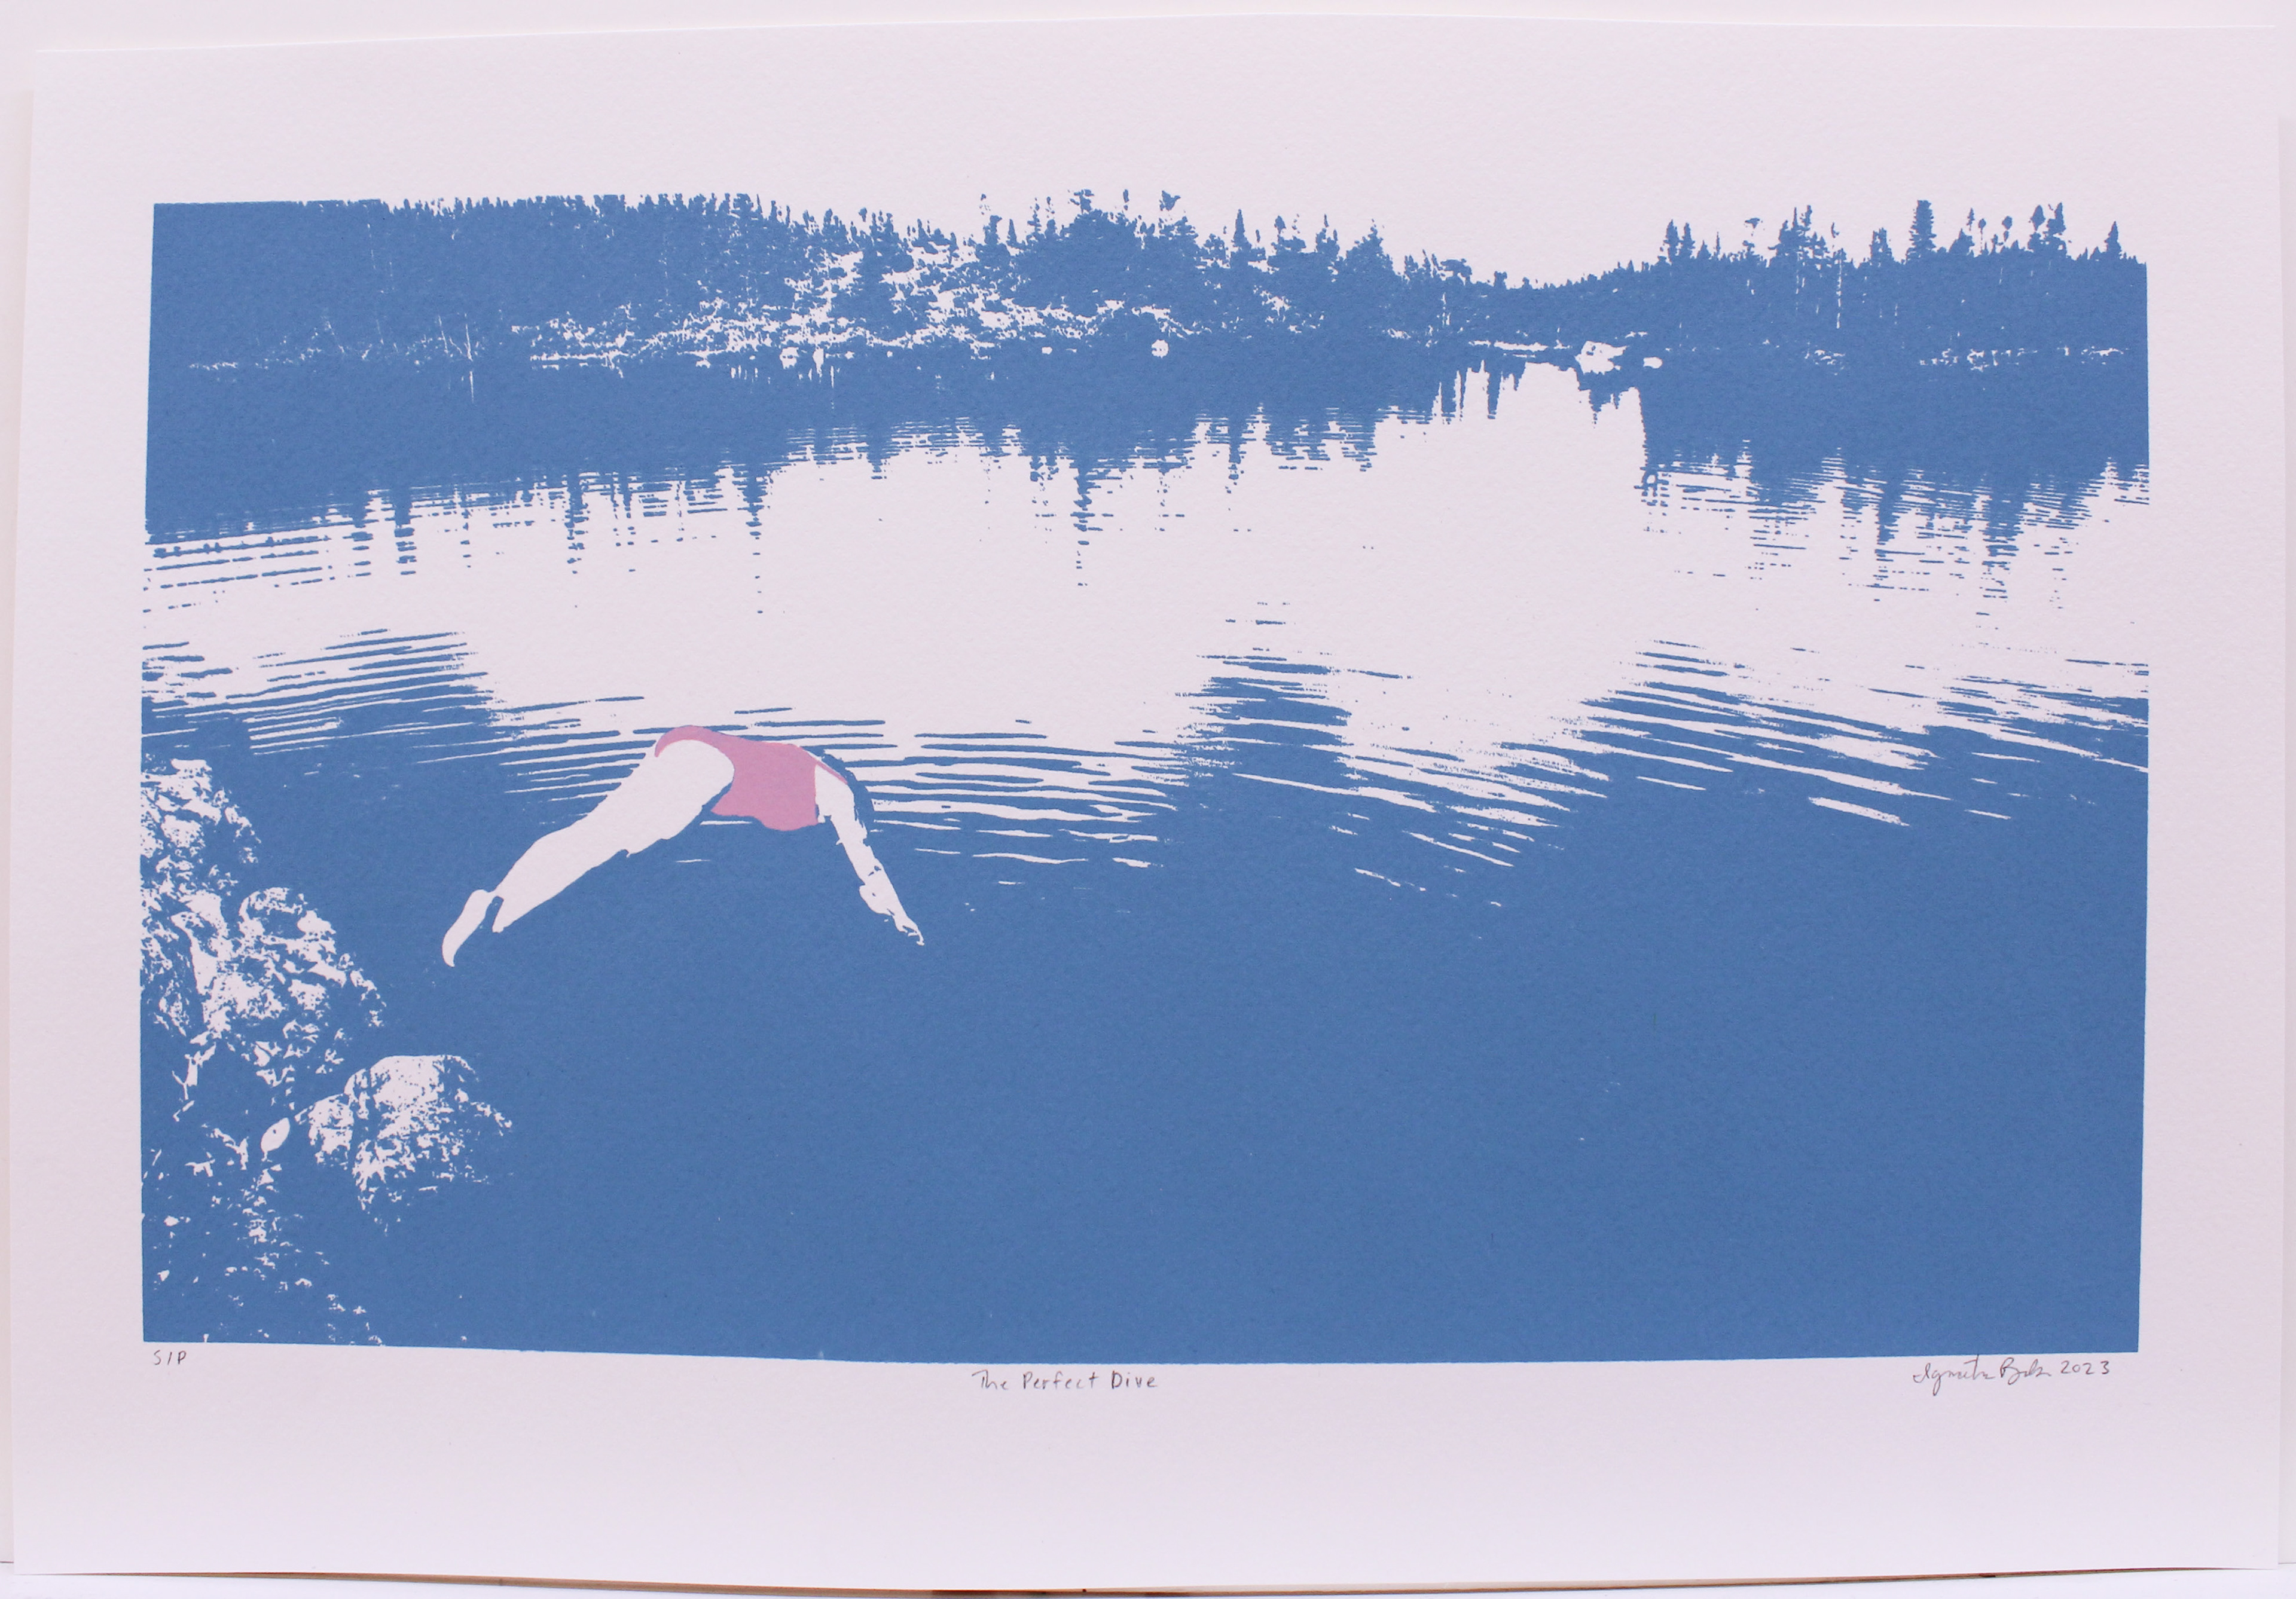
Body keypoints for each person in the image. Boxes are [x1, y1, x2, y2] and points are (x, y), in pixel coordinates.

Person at [442, 726, 922, 965]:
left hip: (684, 748)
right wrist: (902, 919)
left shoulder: (804, 771)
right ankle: (503, 914)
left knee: (595, 834)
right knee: (614, 845)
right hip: (707, 767)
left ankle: (498, 904)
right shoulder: (840, 792)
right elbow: (868, 868)